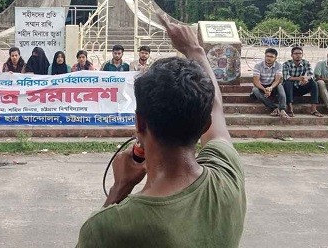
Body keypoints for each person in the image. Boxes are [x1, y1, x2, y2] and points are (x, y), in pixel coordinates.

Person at [77, 15, 246, 247]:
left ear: (139, 124)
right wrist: (194, 49)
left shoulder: (110, 226)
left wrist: (119, 188)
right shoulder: (227, 176)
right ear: (204, 125)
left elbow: (214, 109)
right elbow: (216, 108)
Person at [282, 46, 322, 117]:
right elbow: (286, 77)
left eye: (300, 53)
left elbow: (311, 75)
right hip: (290, 89)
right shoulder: (286, 64)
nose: (298, 55)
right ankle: (290, 108)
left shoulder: (306, 63)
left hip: (301, 87)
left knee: (313, 83)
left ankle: (314, 109)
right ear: (292, 55)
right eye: (296, 53)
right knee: (288, 83)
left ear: (302, 55)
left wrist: (306, 78)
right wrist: (299, 78)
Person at [251, 48, 289, 119]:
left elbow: (277, 80)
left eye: (271, 57)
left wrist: (271, 88)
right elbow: (255, 81)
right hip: (261, 87)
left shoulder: (278, 65)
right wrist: (264, 89)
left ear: (275, 58)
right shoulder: (258, 66)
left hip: (273, 86)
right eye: (267, 56)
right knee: (255, 90)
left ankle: (282, 109)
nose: (268, 58)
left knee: (280, 86)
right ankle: (274, 108)